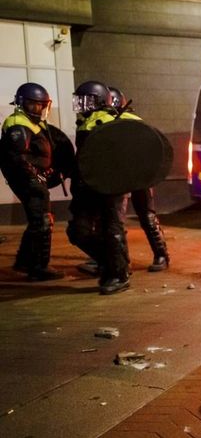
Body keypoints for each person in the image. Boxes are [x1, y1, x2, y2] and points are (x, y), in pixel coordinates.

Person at [66, 81, 131, 295]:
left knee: (112, 231)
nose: (82, 104)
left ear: (101, 100)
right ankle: (112, 264)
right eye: (80, 100)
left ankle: (118, 275)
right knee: (78, 231)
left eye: (88, 100)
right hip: (88, 187)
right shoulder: (85, 122)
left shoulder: (109, 120)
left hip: (110, 187)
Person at [0, 83, 65, 281]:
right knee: (43, 221)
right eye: (34, 105)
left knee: (39, 220)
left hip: (34, 179)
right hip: (28, 180)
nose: (39, 109)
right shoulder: (18, 124)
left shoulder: (31, 123)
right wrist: (35, 178)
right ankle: (39, 267)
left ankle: (23, 261)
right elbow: (18, 157)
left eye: (41, 105)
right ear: (23, 104)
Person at [109, 86, 169, 273]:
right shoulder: (109, 121)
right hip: (124, 176)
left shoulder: (131, 122)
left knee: (145, 216)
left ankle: (161, 254)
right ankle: (116, 257)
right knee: (116, 220)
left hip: (138, 175)